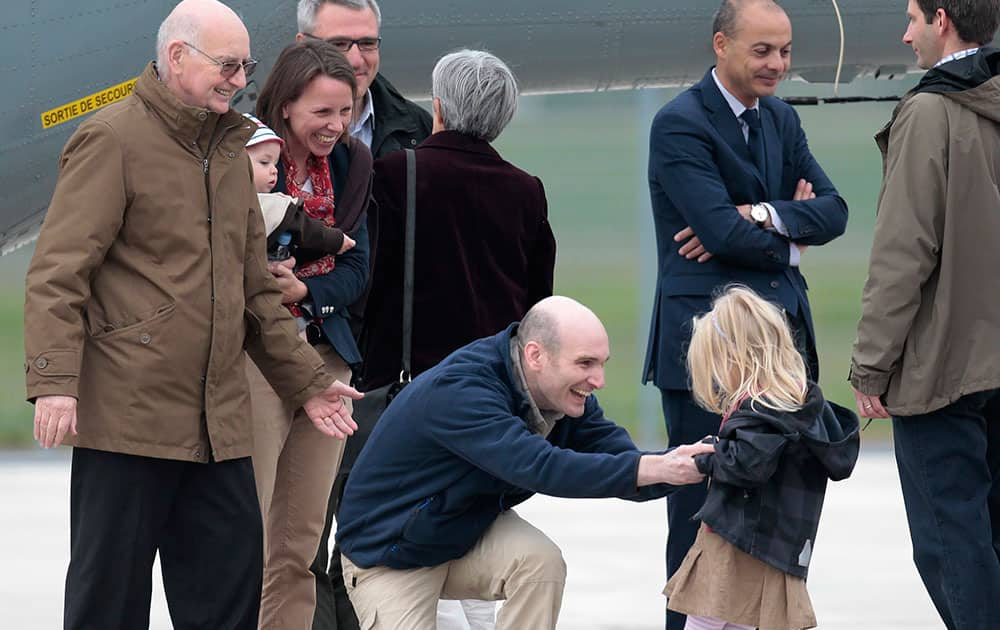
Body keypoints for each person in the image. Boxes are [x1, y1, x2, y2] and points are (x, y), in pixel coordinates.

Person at [23, 1, 361, 628]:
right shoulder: (112, 139)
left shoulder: (231, 151)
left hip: (219, 425)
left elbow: (255, 290)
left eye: (245, 66)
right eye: (227, 65)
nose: (239, 78)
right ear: (177, 57)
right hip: (129, 420)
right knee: (109, 603)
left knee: (227, 604)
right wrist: (53, 385)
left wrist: (308, 387)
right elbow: (57, 273)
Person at [641, 2, 848, 627]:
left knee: (776, 525)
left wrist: (755, 214)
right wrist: (788, 225)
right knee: (698, 522)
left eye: (784, 51)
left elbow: (835, 211)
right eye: (763, 51)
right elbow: (715, 235)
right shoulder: (679, 124)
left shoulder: (782, 119)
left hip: (779, 355)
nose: (778, 64)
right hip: (707, 356)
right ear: (721, 44)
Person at [336, 296, 716, 630]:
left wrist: (685, 466)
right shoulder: (463, 392)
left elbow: (616, 456)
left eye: (602, 363)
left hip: (461, 533)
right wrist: (656, 467)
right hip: (391, 554)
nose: (597, 379)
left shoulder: (562, 394)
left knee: (540, 564)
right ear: (535, 355)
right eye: (585, 363)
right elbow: (542, 467)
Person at [358, 48, 556, 629]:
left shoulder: (394, 174)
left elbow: (368, 287)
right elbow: (536, 304)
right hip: (493, 400)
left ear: (437, 108)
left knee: (412, 538)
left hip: (407, 397)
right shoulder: (526, 190)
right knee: (474, 527)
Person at [849, 2, 1000, 627]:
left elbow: (904, 253)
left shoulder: (929, 112)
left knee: (951, 544)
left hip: (943, 372)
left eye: (913, 17)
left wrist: (870, 365)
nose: (905, 34)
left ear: (943, 19)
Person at [292, 3, 434, 625]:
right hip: (298, 353)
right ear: (303, 45)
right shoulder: (266, 134)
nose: (357, 59)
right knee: (292, 540)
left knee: (367, 546)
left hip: (382, 366)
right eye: (339, 44)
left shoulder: (412, 127)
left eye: (369, 43)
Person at [247, 39, 374, 630]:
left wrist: (306, 291)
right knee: (247, 526)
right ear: (287, 105)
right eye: (322, 112)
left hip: (328, 359)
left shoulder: (352, 164)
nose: (336, 125)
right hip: (258, 359)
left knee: (300, 542)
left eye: (345, 111)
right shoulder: (245, 155)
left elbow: (357, 268)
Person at [664, 286, 860, 630]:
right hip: (773, 546)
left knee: (703, 622)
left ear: (734, 358)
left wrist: (706, 459)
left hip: (737, 544)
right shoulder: (794, 408)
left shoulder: (763, 411)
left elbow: (748, 463)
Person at [245, 114, 357, 257]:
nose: (274, 170)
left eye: (275, 163)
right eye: (264, 162)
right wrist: (336, 240)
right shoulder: (258, 203)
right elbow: (298, 224)